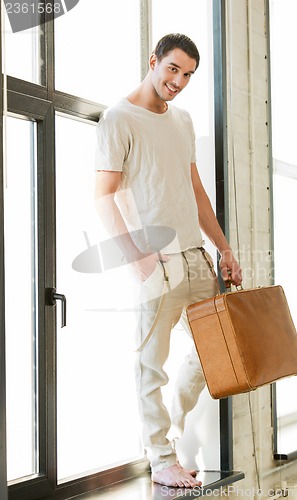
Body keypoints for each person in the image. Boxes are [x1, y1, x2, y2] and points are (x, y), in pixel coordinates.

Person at [94, 33, 242, 488]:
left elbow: (196, 192)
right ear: (153, 60)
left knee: (213, 352)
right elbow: (102, 196)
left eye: (188, 75)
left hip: (196, 258)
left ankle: (170, 435)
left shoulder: (182, 120)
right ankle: (161, 458)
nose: (179, 81)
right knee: (150, 365)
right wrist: (137, 258)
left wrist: (224, 248)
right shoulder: (119, 119)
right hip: (156, 262)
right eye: (173, 69)